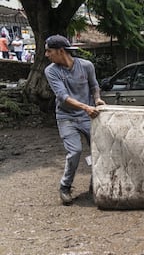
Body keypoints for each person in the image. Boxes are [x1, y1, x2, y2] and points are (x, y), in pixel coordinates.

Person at [44, 34, 105, 205]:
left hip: (86, 116)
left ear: (60, 51)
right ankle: (65, 186)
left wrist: (97, 99)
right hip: (66, 117)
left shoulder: (86, 66)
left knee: (98, 150)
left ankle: (96, 183)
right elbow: (62, 96)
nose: (46, 55)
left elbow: (94, 86)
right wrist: (86, 107)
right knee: (75, 151)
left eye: (49, 51)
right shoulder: (51, 70)